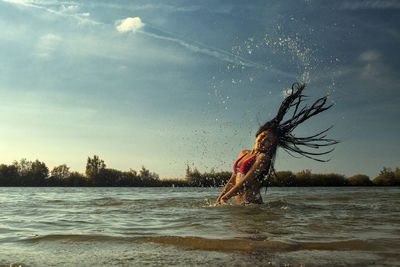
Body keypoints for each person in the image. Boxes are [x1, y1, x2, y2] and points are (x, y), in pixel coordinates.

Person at [216, 82, 338, 205]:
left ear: (271, 145)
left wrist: (226, 197)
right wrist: (220, 198)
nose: (263, 141)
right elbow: (233, 179)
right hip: (242, 206)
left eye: (269, 140)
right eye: (263, 136)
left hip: (253, 205)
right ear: (258, 134)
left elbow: (246, 181)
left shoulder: (263, 158)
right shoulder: (244, 153)